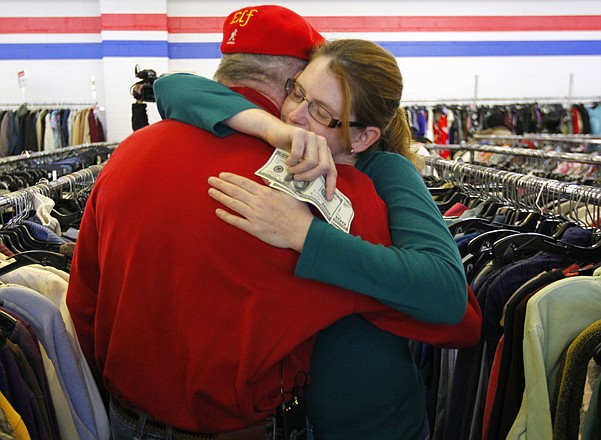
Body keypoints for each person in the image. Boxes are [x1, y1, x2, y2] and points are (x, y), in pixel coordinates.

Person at [67, 6, 479, 440]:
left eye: (319, 107)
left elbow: (85, 310)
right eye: (300, 94)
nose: (298, 114)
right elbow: (456, 320)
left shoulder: (125, 158)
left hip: (126, 419)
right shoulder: (330, 191)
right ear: (290, 81)